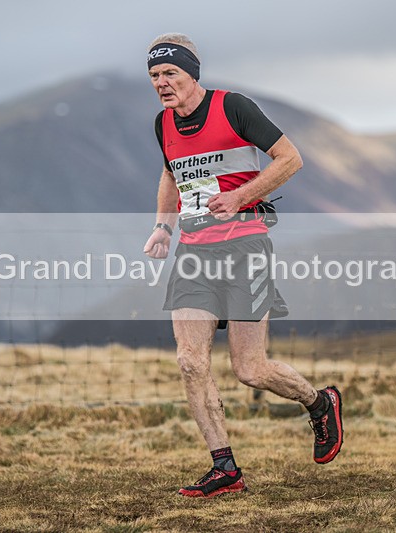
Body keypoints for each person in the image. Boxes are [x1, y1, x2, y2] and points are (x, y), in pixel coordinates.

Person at [142, 33, 343, 498]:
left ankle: (319, 403)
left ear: (193, 73)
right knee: (190, 361)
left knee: (250, 369)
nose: (162, 83)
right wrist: (162, 228)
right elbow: (171, 172)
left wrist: (240, 196)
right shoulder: (163, 124)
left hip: (245, 248)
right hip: (193, 252)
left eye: (170, 73)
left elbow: (290, 158)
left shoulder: (233, 108)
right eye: (154, 76)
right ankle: (224, 468)